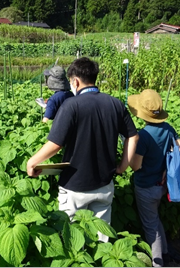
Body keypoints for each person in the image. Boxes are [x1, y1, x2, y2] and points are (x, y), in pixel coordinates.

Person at [26, 57, 139, 242]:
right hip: (104, 183)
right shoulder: (115, 104)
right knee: (102, 240)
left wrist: (33, 161)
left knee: (71, 239)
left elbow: (55, 144)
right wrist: (121, 167)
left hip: (74, 186)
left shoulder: (71, 105)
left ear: (75, 81)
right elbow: (133, 136)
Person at [127, 89, 180, 267]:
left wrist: (128, 148)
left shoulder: (143, 136)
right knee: (154, 219)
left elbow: (136, 166)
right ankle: (166, 252)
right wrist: (167, 166)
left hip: (145, 187)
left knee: (150, 226)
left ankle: (158, 262)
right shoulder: (168, 129)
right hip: (162, 185)